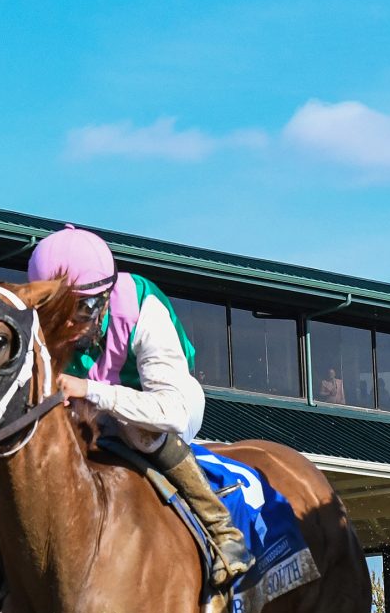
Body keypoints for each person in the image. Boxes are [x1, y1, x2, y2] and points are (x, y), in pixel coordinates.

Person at [29, 226, 250, 586]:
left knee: (138, 431)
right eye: (54, 312)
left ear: (103, 298)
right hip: (90, 412)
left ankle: (222, 530)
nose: (66, 326)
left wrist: (88, 388)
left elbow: (172, 410)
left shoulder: (142, 308)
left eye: (79, 310)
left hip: (163, 409)